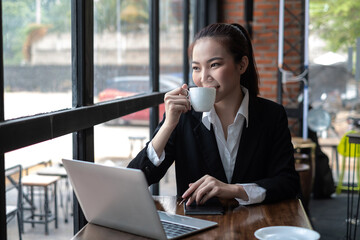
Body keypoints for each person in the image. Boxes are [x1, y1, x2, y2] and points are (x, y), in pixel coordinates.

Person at [128, 23, 300, 206]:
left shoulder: (271, 115)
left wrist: (236, 190)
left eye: (214, 65)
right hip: (198, 226)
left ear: (241, 65)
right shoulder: (182, 117)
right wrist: (168, 125)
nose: (203, 77)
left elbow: (288, 183)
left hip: (257, 226)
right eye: (196, 68)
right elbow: (135, 180)